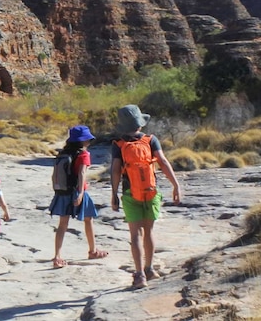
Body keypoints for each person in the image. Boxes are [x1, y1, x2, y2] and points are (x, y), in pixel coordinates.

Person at [110, 105, 182, 289]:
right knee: (148, 231)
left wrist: (114, 194)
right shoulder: (151, 140)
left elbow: (116, 170)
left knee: (135, 234)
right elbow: (163, 162)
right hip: (150, 191)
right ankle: (150, 269)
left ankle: (140, 275)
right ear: (140, 123)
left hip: (129, 192)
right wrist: (176, 185)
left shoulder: (118, 143)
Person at [48, 125, 109, 269]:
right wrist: (80, 193)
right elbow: (82, 174)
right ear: (83, 140)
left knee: (62, 224)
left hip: (63, 192)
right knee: (89, 219)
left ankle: (57, 256)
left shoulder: (63, 153)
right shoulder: (83, 154)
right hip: (77, 191)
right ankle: (93, 251)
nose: (89, 141)